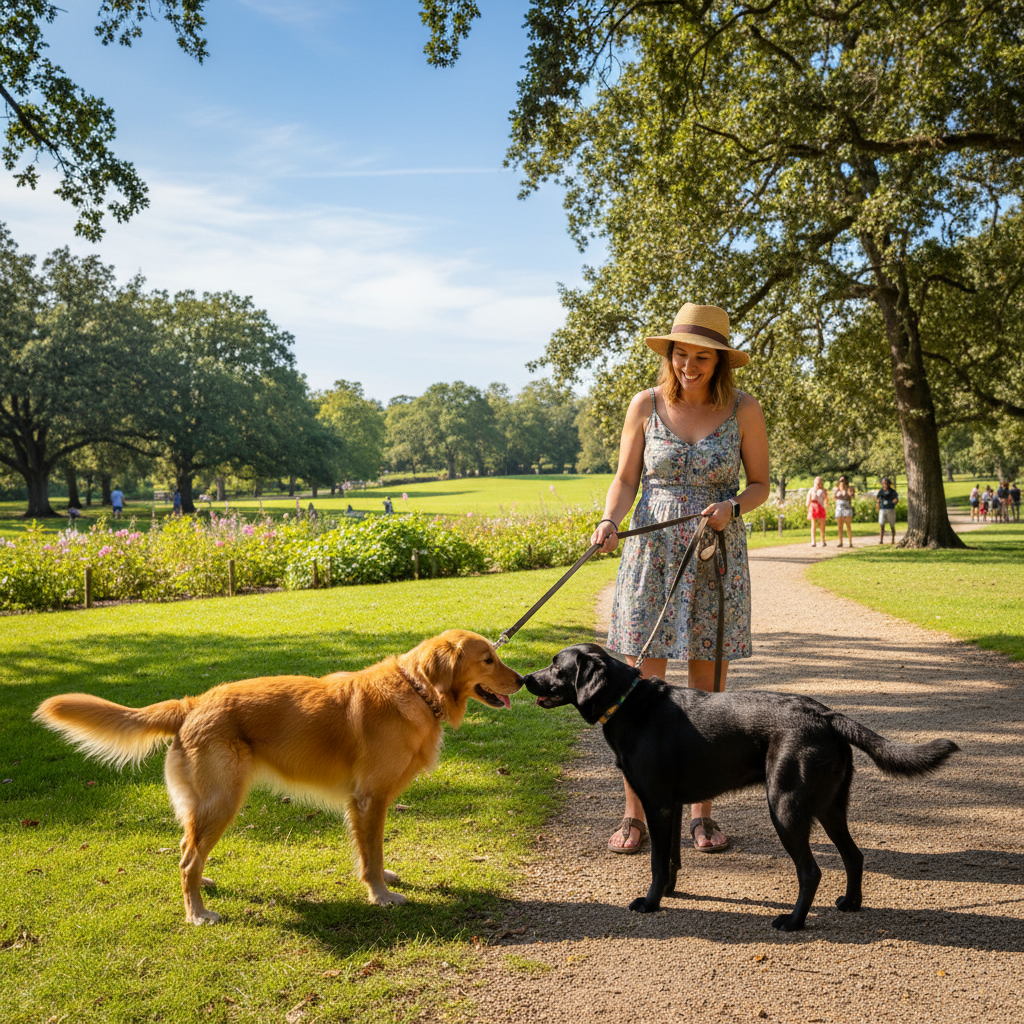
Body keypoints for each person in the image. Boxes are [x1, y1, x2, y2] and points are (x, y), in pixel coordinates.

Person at [593, 302, 769, 854]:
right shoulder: (645, 404)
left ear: (720, 362)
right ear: (669, 355)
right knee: (640, 690)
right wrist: (609, 521)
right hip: (652, 551)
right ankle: (635, 814)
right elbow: (625, 479)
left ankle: (702, 815)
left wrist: (733, 507)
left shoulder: (744, 408)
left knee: (706, 688)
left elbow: (760, 483)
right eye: (680, 354)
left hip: (714, 554)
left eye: (701, 357)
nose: (689, 366)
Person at [806, 476, 828, 547]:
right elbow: (808, 500)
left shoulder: (823, 491)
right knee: (813, 525)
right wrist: (809, 505)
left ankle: (823, 540)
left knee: (822, 525)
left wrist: (825, 506)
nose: (817, 484)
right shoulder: (811, 490)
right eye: (816, 482)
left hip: (821, 507)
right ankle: (813, 541)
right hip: (813, 507)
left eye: (819, 482)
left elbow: (826, 499)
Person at [876, 477, 899, 543]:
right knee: (882, 525)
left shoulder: (893, 491)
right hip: (882, 509)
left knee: (892, 525)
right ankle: (881, 540)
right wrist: (879, 504)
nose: (885, 484)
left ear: (889, 483)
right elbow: (877, 498)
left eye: (886, 482)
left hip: (890, 509)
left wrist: (892, 503)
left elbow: (896, 499)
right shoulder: (881, 491)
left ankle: (893, 540)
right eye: (883, 483)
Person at [834, 475, 855, 547]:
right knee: (840, 526)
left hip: (846, 509)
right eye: (840, 481)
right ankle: (840, 542)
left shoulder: (848, 489)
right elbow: (834, 498)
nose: (842, 482)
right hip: (839, 509)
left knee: (848, 525)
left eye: (843, 481)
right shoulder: (837, 490)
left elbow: (851, 497)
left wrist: (850, 493)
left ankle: (850, 542)